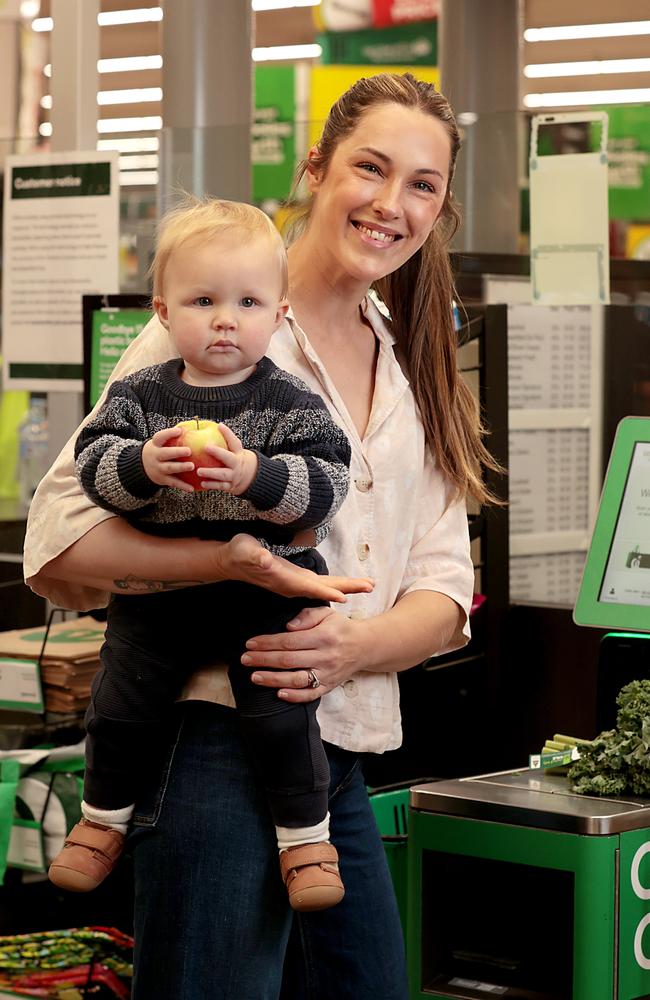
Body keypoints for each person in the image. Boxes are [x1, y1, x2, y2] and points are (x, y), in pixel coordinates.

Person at [24, 72, 499, 999]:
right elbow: (59, 541)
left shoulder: (410, 361)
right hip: (208, 746)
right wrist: (230, 560)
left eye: (422, 185)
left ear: (438, 210)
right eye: (371, 167)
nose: (390, 203)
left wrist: (350, 646)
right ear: (316, 169)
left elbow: (445, 594)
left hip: (339, 754)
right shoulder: (217, 322)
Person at [47, 198, 357, 912]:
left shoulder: (291, 401)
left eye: (247, 301)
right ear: (162, 311)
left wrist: (255, 476)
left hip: (264, 597)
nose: (226, 318)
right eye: (203, 300)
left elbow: (326, 484)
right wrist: (142, 467)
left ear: (279, 315)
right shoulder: (138, 397)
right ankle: (102, 822)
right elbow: (93, 466)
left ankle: (305, 839)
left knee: (279, 717)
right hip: (162, 592)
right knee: (120, 704)